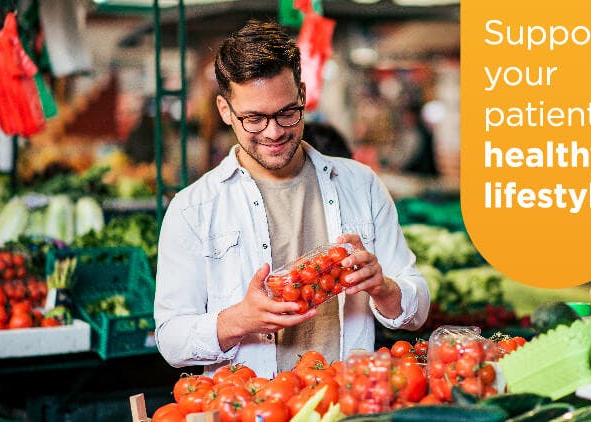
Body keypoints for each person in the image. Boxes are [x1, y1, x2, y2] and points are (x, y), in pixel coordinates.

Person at [153, 19, 430, 378]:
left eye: (287, 112)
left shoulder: (360, 184)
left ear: (301, 93)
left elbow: (418, 306)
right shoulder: (193, 208)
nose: (274, 132)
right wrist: (238, 320)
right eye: (254, 118)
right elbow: (170, 340)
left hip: (345, 402)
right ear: (225, 111)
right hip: (252, 406)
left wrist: (384, 288)